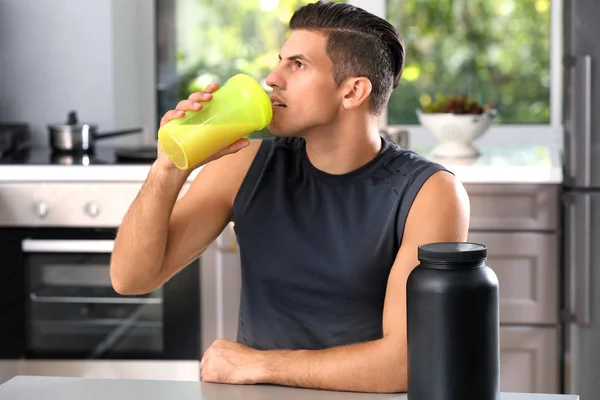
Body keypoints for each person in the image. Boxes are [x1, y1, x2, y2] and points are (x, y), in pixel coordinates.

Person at [110, 0, 469, 393]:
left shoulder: (430, 192)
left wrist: (259, 364)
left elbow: (403, 363)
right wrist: (170, 166)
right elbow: (131, 279)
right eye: (280, 60)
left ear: (353, 91)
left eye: (297, 65)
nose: (272, 78)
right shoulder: (244, 163)